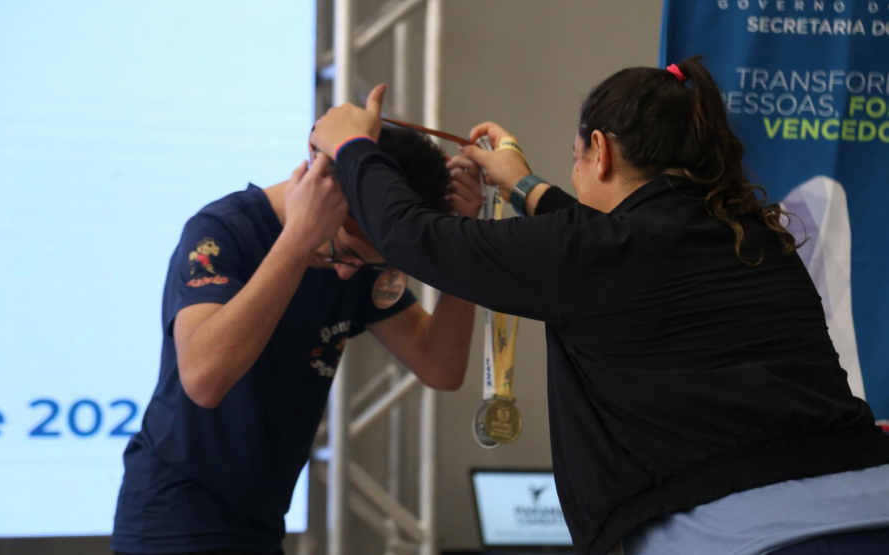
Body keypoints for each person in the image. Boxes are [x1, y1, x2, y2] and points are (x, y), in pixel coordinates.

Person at [310, 60, 889, 555]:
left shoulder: (600, 254)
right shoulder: (751, 235)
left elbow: (420, 239)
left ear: (600, 151)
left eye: (576, 157)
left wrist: (353, 147)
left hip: (754, 536)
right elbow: (604, 242)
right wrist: (521, 183)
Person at [110, 126, 482, 555]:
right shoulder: (223, 231)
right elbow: (204, 379)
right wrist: (299, 239)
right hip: (174, 515)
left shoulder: (356, 250)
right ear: (325, 185)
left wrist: (462, 246)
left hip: (261, 520)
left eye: (363, 262)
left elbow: (441, 366)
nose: (347, 272)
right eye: (341, 250)